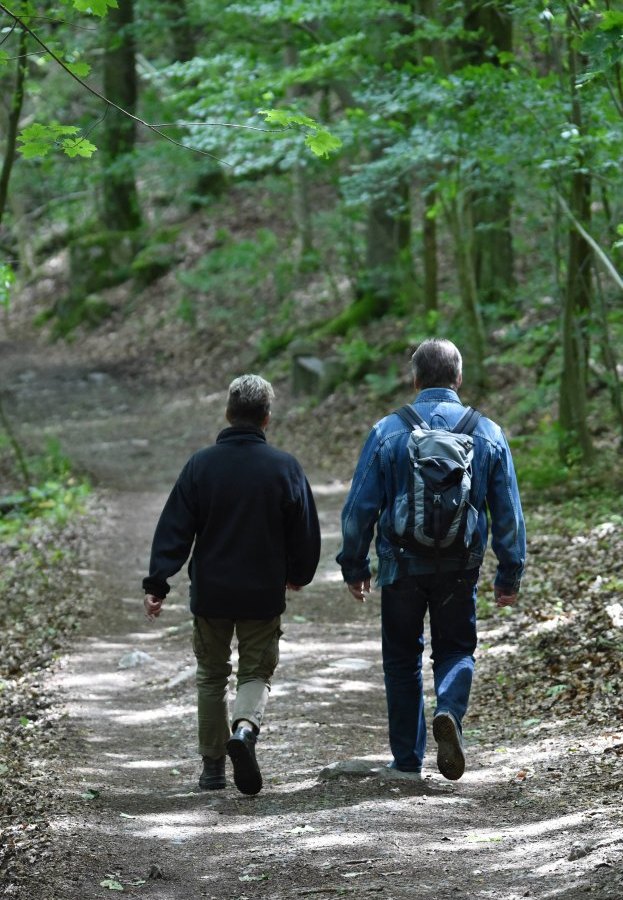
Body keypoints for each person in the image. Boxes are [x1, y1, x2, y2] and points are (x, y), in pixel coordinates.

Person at [336, 338, 525, 781]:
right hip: (460, 568)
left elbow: (358, 508)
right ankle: (451, 714)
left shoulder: (388, 431)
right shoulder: (488, 432)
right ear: (458, 378)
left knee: (402, 659)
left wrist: (355, 565)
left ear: (415, 379)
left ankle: (405, 762)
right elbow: (508, 512)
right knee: (456, 649)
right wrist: (509, 573)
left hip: (401, 566)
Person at [142, 374, 321, 796]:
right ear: (267, 418)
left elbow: (175, 529)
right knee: (255, 671)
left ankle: (212, 770)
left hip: (212, 593)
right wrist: (298, 574)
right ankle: (244, 730)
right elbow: (305, 532)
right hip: (262, 592)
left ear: (227, 413)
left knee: (211, 675)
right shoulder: (284, 467)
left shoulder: (201, 466)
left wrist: (158, 583)